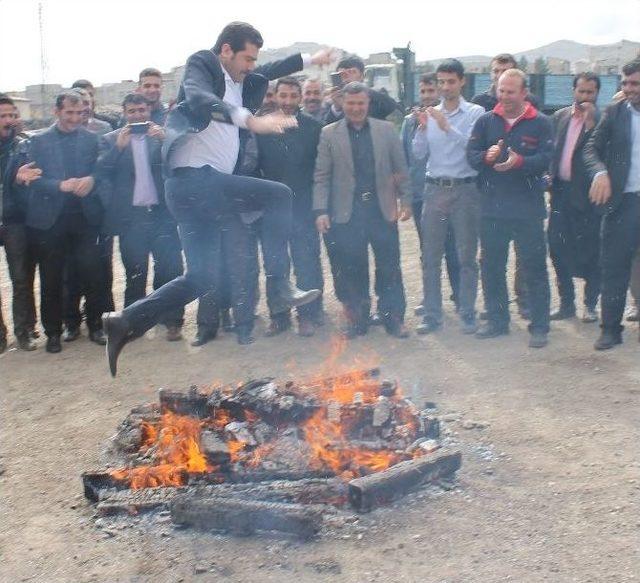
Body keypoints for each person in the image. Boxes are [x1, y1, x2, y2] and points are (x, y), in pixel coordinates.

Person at [102, 22, 333, 375]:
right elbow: (197, 97)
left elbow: (271, 69)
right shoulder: (203, 65)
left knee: (200, 277)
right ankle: (280, 283)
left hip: (197, 193)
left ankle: (123, 322)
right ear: (226, 50)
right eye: (246, 58)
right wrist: (249, 121)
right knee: (279, 196)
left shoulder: (245, 80)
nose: (251, 66)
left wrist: (308, 58)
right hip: (195, 179)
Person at [314, 81, 411, 339]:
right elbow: (322, 176)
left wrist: (407, 201)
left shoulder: (387, 130)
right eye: (351, 103)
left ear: (368, 104)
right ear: (343, 103)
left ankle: (394, 318)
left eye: (361, 103)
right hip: (347, 213)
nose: (356, 108)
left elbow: (400, 169)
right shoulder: (329, 133)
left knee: (389, 266)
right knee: (353, 267)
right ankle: (358, 320)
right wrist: (320, 210)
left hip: (382, 210)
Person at [467, 69, 553, 348]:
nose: (504, 97)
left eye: (510, 92)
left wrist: (520, 162)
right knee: (491, 266)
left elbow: (546, 159)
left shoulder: (540, 123)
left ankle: (539, 326)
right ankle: (497, 320)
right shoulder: (485, 121)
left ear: (524, 93)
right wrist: (486, 156)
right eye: (501, 91)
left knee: (534, 268)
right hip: (492, 209)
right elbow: (471, 156)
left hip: (527, 210)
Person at [25, 90, 108, 353]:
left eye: (79, 113)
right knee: (51, 279)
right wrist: (59, 185)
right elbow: (32, 180)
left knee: (92, 275)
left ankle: (95, 326)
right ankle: (53, 333)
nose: (74, 118)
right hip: (52, 221)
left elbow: (103, 170)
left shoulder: (91, 139)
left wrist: (91, 180)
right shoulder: (39, 141)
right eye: (69, 113)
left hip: (85, 219)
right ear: (57, 112)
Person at [98, 93, 185, 341]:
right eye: (132, 111)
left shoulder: (161, 135)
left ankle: (172, 322)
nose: (138, 115)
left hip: (161, 215)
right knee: (135, 273)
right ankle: (133, 324)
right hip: (131, 219)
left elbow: (179, 166)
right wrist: (118, 149)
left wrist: (166, 141)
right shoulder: (111, 140)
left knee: (170, 271)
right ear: (124, 113)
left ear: (149, 111)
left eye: (142, 110)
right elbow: (101, 173)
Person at [412, 59, 484, 335]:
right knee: (430, 256)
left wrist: (447, 127)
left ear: (462, 82)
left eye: (450, 82)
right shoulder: (430, 113)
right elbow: (419, 154)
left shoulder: (475, 112)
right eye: (440, 82)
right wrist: (421, 129)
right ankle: (432, 314)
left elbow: (474, 149)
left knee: (466, 256)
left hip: (465, 189)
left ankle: (467, 312)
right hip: (435, 188)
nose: (444, 87)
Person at [472, 53, 539, 320]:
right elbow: (473, 150)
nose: (500, 76)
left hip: (522, 195)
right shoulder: (481, 107)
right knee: (490, 258)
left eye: (506, 71)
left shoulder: (530, 107)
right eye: (496, 71)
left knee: (524, 256)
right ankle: (495, 309)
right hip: (490, 194)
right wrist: (484, 157)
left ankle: (524, 301)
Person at [257, 76, 324, 337]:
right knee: (275, 265)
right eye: (281, 96)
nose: (286, 101)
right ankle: (279, 315)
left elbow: (320, 172)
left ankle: (308, 315)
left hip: (304, 208)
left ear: (300, 98)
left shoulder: (314, 128)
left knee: (307, 261)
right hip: (273, 209)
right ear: (275, 96)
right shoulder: (262, 127)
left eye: (292, 96)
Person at [584, 58, 640, 350]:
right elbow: (591, 148)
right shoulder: (615, 113)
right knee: (614, 268)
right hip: (624, 204)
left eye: (635, 84)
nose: (629, 89)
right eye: (626, 83)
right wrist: (601, 172)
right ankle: (610, 330)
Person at [401, 73, 460, 318]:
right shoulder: (409, 122)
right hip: (419, 195)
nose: (426, 96)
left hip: (447, 194)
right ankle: (430, 300)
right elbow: (405, 158)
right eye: (423, 91)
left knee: (454, 248)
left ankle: (460, 298)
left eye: (431, 91)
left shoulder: (447, 119)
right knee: (428, 251)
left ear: (440, 92)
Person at [548, 73, 601, 323]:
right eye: (581, 92)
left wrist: (591, 126)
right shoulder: (559, 117)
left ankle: (590, 305)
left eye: (590, 93)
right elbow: (553, 151)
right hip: (560, 195)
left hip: (589, 198)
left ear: (596, 95)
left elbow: (602, 153)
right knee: (557, 249)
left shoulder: (603, 120)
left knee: (591, 252)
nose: (585, 98)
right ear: (573, 91)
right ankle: (566, 304)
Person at [0, 95, 39, 352]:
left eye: (12, 115)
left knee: (21, 278)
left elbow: (32, 182)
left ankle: (24, 331)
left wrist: (22, 180)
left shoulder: (24, 146)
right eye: (3, 116)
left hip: (14, 220)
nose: (9, 120)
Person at [324, 55, 398, 125]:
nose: (347, 77)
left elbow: (392, 107)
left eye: (352, 72)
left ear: (362, 76)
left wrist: (360, 88)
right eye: (343, 74)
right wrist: (337, 108)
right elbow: (327, 129)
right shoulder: (331, 103)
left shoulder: (375, 98)